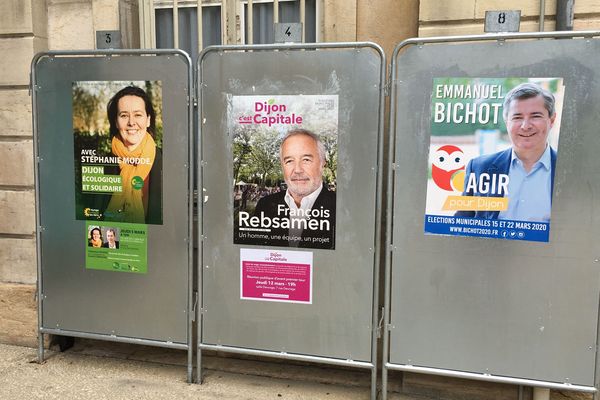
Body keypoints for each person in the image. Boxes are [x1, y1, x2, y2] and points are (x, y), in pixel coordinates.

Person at [455, 82, 557, 221]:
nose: (525, 126)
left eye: (535, 116)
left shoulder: (571, 174)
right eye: (517, 117)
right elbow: (461, 224)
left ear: (551, 120)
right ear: (507, 122)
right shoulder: (480, 168)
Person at [250, 129, 336, 249]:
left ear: (322, 163)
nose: (297, 170)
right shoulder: (265, 205)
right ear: (282, 166)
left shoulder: (340, 208)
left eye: (306, 160)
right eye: (289, 161)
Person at [103, 86, 162, 224]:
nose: (131, 122)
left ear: (148, 120)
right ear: (116, 122)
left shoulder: (167, 163)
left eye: (138, 115)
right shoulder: (103, 164)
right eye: (124, 115)